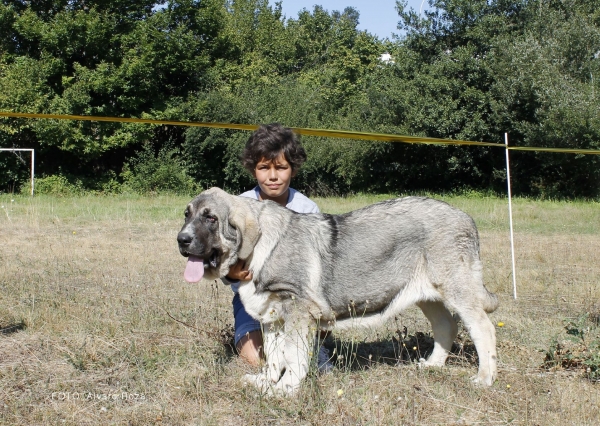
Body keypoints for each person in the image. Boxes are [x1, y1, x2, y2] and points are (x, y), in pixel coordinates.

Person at [222, 123, 332, 372]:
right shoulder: (239, 207)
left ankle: (316, 347)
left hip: (300, 301)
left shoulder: (307, 210)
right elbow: (226, 264)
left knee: (307, 341)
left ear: (293, 169)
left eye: (281, 168)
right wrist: (231, 274)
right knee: (257, 360)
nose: (273, 176)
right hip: (251, 302)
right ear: (253, 170)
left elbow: (321, 268)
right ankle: (253, 338)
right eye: (264, 168)